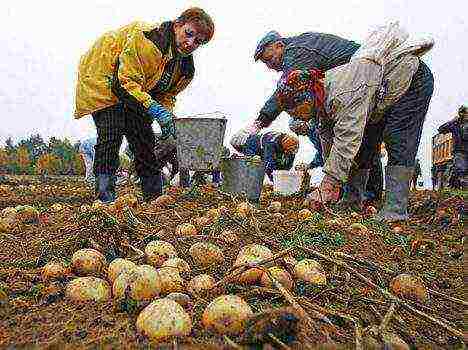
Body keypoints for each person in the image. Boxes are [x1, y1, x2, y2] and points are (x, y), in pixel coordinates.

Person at [248, 22, 434, 221]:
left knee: (397, 138)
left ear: (308, 98)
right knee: (365, 146)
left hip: (409, 80)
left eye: (298, 112)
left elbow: (347, 140)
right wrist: (331, 181)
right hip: (375, 92)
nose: (299, 118)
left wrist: (328, 184)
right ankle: (352, 200)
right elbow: (329, 144)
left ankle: (395, 209)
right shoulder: (319, 105)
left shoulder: (342, 94)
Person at [73, 8, 215, 203]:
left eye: (198, 41)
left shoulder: (185, 69)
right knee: (111, 132)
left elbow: (166, 94)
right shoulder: (149, 41)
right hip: (104, 75)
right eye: (188, 34)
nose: (190, 43)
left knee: (144, 138)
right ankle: (104, 198)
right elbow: (123, 84)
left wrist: (165, 113)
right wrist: (155, 109)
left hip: (136, 88)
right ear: (177, 25)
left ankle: (154, 197)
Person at [230, 129, 299, 182]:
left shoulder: (287, 143)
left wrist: (286, 176)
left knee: (276, 164)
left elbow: (288, 164)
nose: (289, 153)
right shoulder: (270, 144)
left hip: (263, 147)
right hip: (256, 148)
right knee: (256, 164)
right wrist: (275, 181)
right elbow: (268, 165)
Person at [437, 105, 468, 189]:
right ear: (461, 114)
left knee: (458, 170)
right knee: (461, 169)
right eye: (465, 113)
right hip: (459, 151)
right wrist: (452, 121)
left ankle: (451, 184)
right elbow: (441, 129)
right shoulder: (455, 124)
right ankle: (461, 187)